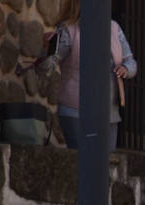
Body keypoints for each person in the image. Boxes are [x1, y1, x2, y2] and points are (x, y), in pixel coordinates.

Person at [42, 0, 136, 151]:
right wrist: (49, 49)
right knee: (83, 164)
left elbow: (131, 62)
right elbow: (47, 66)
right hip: (76, 111)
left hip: (109, 113)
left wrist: (126, 68)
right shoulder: (68, 30)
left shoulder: (114, 28)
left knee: (106, 167)